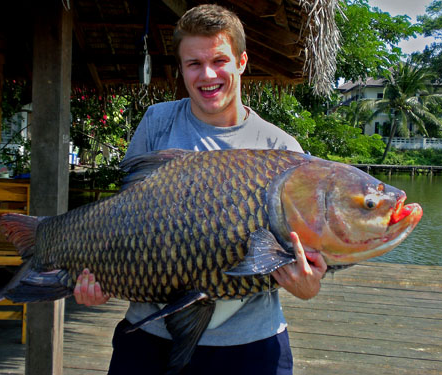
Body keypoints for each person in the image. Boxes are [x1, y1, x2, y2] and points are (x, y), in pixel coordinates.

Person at [74, 4, 327, 374]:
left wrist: (307, 286)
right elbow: (123, 216)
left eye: (219, 60)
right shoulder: (157, 123)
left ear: (241, 61)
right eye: (194, 63)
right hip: (150, 334)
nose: (207, 75)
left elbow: (308, 274)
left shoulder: (281, 149)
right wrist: (103, 278)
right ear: (181, 68)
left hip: (249, 345)